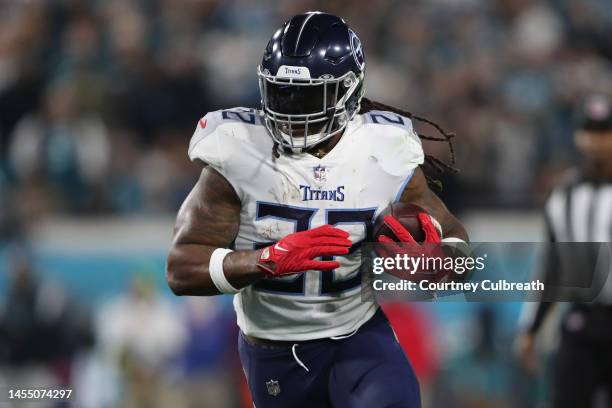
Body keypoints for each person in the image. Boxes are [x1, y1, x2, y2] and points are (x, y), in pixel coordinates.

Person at [167, 12, 468, 408]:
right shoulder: (236, 151)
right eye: (281, 91)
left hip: (359, 338)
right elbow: (181, 268)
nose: (290, 108)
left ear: (348, 91)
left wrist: (439, 263)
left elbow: (456, 240)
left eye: (307, 94)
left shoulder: (383, 148)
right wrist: (266, 261)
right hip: (275, 354)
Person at [516, 94, 612, 408]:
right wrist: (531, 328)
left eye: (604, 133)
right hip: (583, 320)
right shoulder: (565, 194)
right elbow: (553, 265)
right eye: (590, 132)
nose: (596, 142)